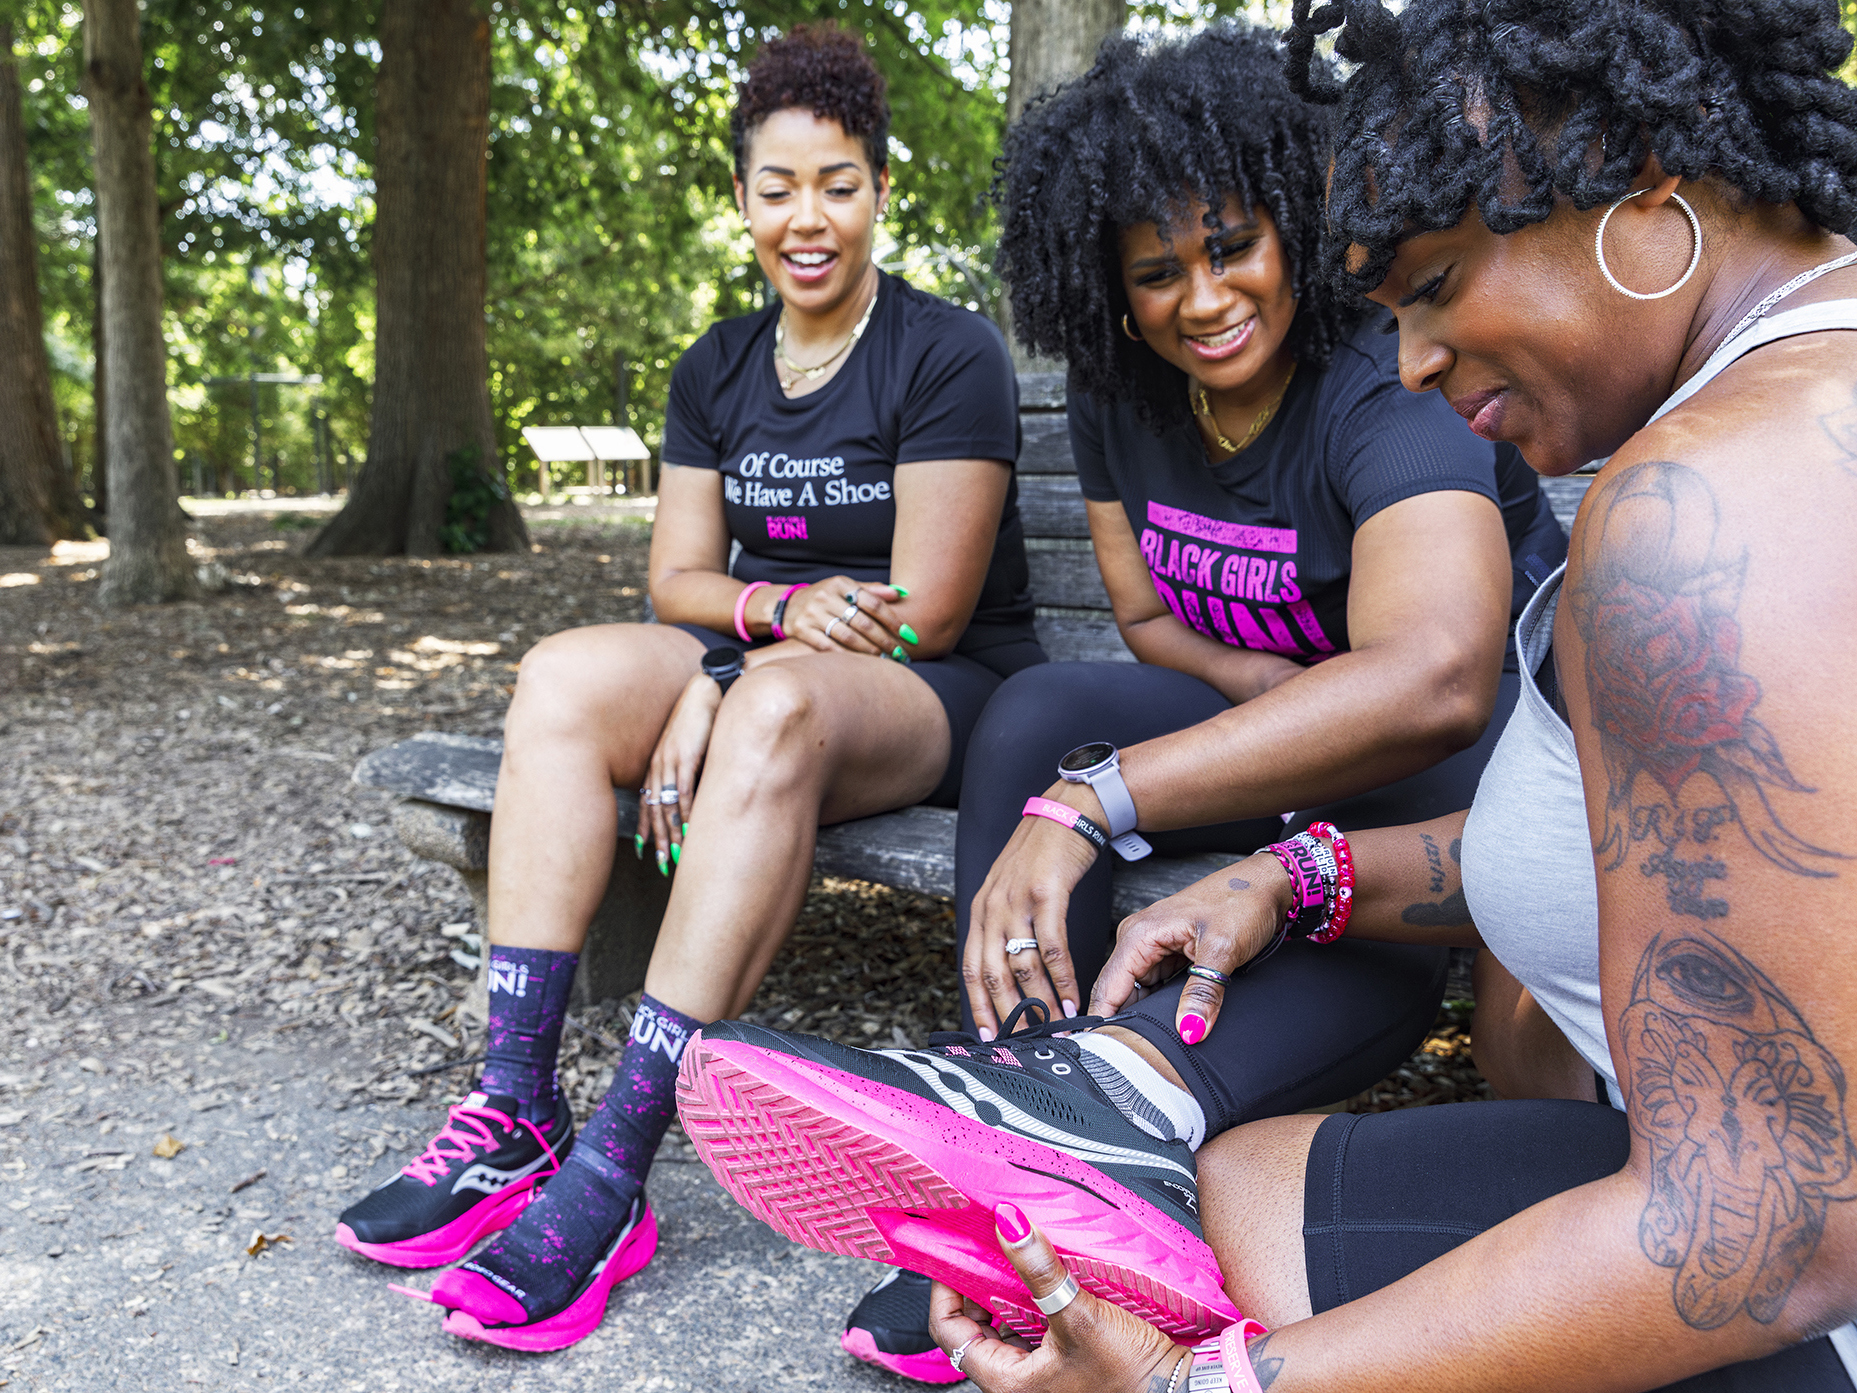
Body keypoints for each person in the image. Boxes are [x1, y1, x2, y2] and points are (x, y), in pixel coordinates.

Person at [680, 0, 1857, 1388]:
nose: (1412, 357)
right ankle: (1085, 1100)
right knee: (1233, 1186)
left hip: (1799, 1277)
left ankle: (1091, 1126)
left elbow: (1773, 1232)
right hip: (1767, 1197)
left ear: (1638, 205)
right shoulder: (1787, 401)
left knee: (1200, 1302)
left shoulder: (1714, 496)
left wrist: (1207, 1391)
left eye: (1428, 287)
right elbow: (1685, 863)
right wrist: (1304, 875)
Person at [835, 25, 1565, 1382]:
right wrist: (1262, 706)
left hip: (1453, 776)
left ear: (1288, 222)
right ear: (1110, 291)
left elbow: (1433, 678)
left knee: (1265, 777)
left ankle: (1109, 1145)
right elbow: (1149, 618)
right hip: (1286, 726)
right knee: (1038, 710)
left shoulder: (1374, 387)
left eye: (1232, 245)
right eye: (1157, 272)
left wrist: (1106, 798)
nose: (1203, 296)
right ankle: (1020, 1118)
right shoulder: (1124, 393)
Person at [331, 22, 1041, 1351]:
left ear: (882, 192)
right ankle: (514, 1110)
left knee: (767, 708)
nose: (807, 218)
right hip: (771, 657)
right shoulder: (716, 366)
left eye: (836, 183)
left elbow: (925, 606)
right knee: (560, 678)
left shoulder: (944, 355)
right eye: (776, 188)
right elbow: (678, 578)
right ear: (740, 203)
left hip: (934, 694)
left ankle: (613, 1165)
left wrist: (734, 680)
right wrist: (756, 623)